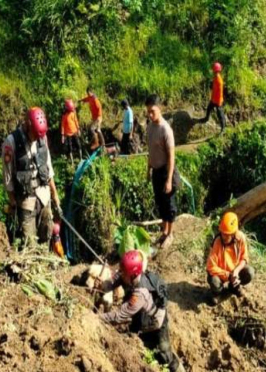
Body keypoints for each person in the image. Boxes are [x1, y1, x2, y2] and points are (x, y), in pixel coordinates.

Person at [98, 251, 184, 372]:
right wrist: (105, 284)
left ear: (133, 275)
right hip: (141, 316)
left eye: (124, 272)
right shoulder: (129, 275)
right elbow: (116, 278)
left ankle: (178, 369)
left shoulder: (140, 293)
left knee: (164, 352)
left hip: (156, 322)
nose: (120, 274)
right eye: (121, 270)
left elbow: (119, 316)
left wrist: (97, 318)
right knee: (140, 345)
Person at [2, 107, 62, 247]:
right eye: (35, 135)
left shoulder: (43, 138)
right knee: (29, 244)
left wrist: (55, 197)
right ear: (28, 125)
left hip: (44, 197)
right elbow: (7, 175)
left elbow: (48, 169)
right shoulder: (11, 142)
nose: (37, 138)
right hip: (25, 202)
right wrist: (12, 201)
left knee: (46, 237)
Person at [146, 94, 180, 250]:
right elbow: (150, 150)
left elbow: (171, 157)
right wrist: (148, 169)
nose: (150, 114)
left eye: (152, 111)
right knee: (160, 202)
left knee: (169, 204)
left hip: (167, 171)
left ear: (160, 109)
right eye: (148, 111)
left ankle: (170, 234)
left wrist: (169, 180)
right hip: (156, 171)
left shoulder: (166, 130)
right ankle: (164, 231)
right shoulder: (150, 127)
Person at [206, 212, 255, 305]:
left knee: (250, 272)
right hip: (221, 274)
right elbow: (210, 267)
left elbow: (244, 258)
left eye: (226, 234)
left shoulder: (240, 238)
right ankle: (217, 293)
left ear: (233, 233)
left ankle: (233, 287)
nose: (223, 236)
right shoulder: (217, 242)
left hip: (234, 272)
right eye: (222, 233)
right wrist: (228, 275)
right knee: (214, 281)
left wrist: (236, 272)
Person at [198, 62, 227, 133]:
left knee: (220, 114)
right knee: (209, 109)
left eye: (214, 70)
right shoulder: (215, 78)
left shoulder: (219, 80)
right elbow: (214, 88)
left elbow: (220, 93)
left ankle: (223, 129)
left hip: (218, 101)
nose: (214, 72)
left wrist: (218, 103)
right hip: (214, 99)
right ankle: (206, 118)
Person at [61, 99, 82, 164]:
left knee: (78, 145)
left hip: (75, 131)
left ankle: (81, 159)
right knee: (70, 148)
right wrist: (63, 136)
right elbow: (63, 126)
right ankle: (72, 162)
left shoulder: (73, 113)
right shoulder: (64, 116)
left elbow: (76, 121)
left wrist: (78, 130)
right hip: (68, 134)